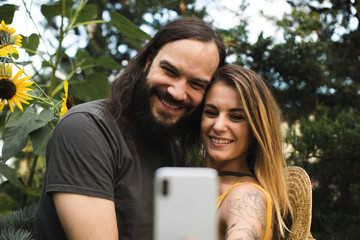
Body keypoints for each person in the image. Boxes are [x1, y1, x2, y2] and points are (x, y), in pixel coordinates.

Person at [36, 17, 226, 240]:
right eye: (170, 71)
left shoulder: (173, 152)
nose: (177, 92)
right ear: (147, 61)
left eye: (196, 84)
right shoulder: (87, 129)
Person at [193, 65, 292, 239]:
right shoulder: (198, 186)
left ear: (256, 130)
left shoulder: (246, 197)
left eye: (236, 117)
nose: (218, 126)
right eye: (211, 112)